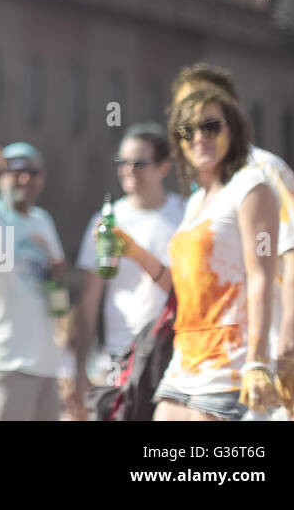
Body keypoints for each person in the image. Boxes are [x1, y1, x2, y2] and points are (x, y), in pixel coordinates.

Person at [170, 63, 294, 416]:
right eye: (186, 119)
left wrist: (287, 352)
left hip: (275, 356)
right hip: (217, 363)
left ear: (231, 110)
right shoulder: (200, 193)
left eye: (209, 118)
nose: (197, 129)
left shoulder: (263, 170)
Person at [153, 86, 281, 420]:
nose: (199, 137)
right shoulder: (195, 202)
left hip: (230, 366)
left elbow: (261, 276)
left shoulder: (251, 187)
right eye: (187, 130)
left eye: (210, 126)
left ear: (232, 131)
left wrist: (257, 360)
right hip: (184, 362)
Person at [73, 123, 184, 407]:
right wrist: (80, 370)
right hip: (120, 353)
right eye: (123, 162)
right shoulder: (107, 219)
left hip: (175, 351)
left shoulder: (185, 214)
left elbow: (186, 289)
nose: (128, 170)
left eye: (139, 163)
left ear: (163, 167)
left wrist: (137, 254)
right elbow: (89, 301)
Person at [0, 142, 67, 421]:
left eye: (32, 172)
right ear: (1, 177)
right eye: (15, 170)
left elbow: (57, 297)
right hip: (1, 361)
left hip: (45, 364)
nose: (25, 178)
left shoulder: (44, 220)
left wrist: (58, 278)